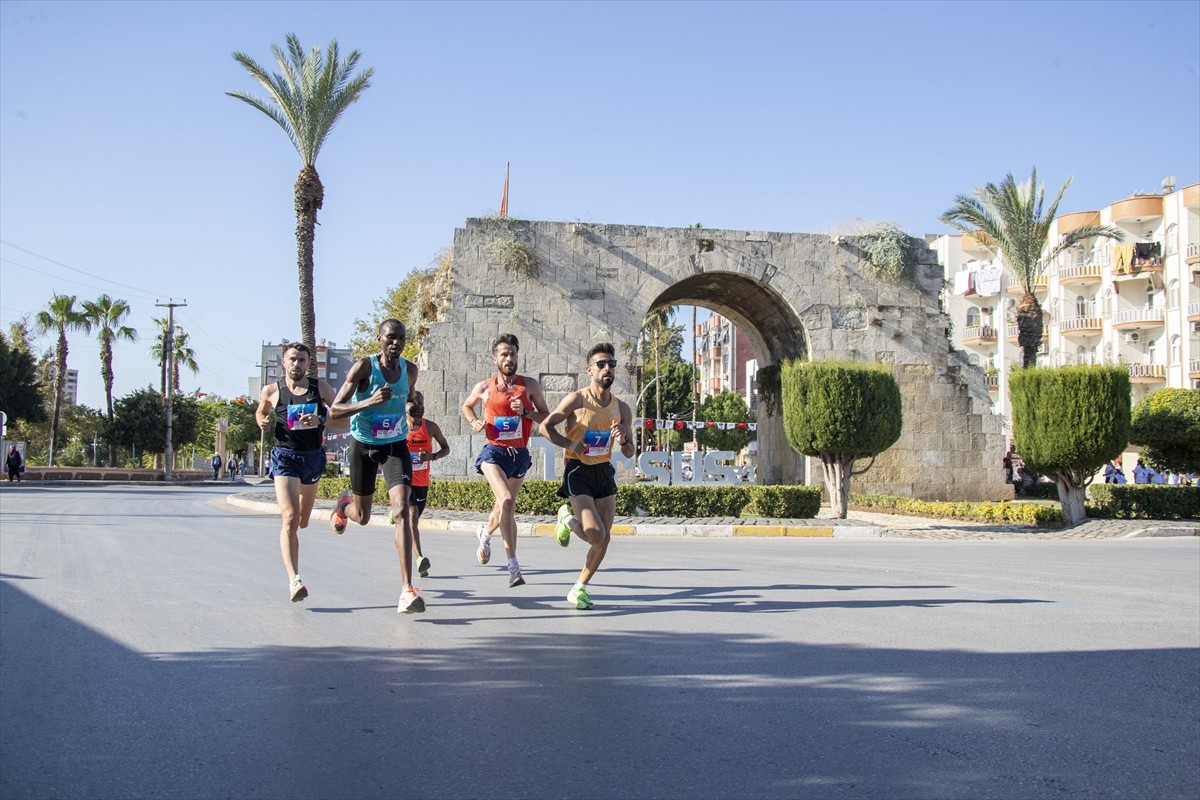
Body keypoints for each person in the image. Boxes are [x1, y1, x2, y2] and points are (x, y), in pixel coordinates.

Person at [329, 319, 425, 614]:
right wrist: (369, 401)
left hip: (395, 444)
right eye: (391, 337)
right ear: (380, 339)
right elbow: (334, 410)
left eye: (401, 338)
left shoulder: (409, 370)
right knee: (363, 516)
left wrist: (413, 408)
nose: (396, 343)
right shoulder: (364, 368)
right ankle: (344, 506)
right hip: (364, 444)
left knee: (401, 509)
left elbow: (409, 399)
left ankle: (407, 589)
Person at [540, 343, 636, 610]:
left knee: (605, 538)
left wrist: (624, 439)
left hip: (604, 471)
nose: (608, 369)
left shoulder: (622, 409)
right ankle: (567, 518)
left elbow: (629, 452)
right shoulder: (577, 400)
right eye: (602, 364)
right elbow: (545, 426)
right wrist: (569, 444)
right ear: (589, 369)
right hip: (578, 469)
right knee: (595, 534)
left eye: (612, 364)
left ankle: (579, 587)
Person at [461, 333, 550, 588]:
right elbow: (467, 406)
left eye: (513, 353)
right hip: (494, 452)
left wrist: (527, 412)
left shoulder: (529, 386)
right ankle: (513, 567)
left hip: (519, 455)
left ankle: (485, 534)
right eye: (504, 354)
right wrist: (474, 420)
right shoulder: (485, 387)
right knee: (507, 500)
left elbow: (546, 416)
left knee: (503, 508)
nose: (509, 358)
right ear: (495, 359)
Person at [255, 342, 340, 602]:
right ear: (283, 362)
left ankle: (339, 509)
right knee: (290, 518)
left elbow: (344, 418)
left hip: (312, 457)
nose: (297, 364)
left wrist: (321, 420)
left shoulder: (321, 389)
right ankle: (294, 580)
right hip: (284, 457)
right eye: (292, 359)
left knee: (302, 522)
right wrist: (262, 420)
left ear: (308, 363)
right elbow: (261, 411)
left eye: (302, 360)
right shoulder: (271, 391)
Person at [399, 390, 450, 578]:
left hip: (422, 482)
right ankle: (420, 558)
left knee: (414, 519)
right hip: (403, 480)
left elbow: (446, 448)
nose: (417, 405)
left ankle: (396, 512)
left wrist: (432, 456)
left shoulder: (430, 428)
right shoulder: (399, 426)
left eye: (420, 402)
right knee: (411, 516)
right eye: (413, 402)